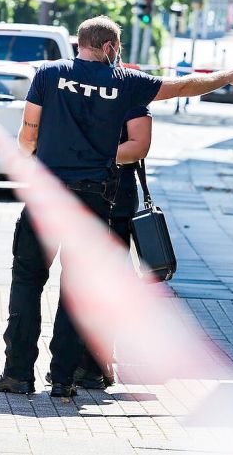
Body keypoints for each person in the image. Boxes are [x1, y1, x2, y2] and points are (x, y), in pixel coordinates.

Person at [0, 15, 233, 397]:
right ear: (110, 47)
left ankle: (17, 374)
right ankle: (62, 379)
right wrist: (228, 76)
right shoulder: (126, 83)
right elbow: (182, 86)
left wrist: (35, 156)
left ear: (80, 43)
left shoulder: (48, 74)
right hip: (93, 198)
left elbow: (28, 132)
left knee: (28, 280)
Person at [45, 105, 152, 390]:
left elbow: (138, 147)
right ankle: (85, 363)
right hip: (100, 197)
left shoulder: (128, 89)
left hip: (111, 200)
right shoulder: (125, 89)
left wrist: (89, 156)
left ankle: (90, 364)